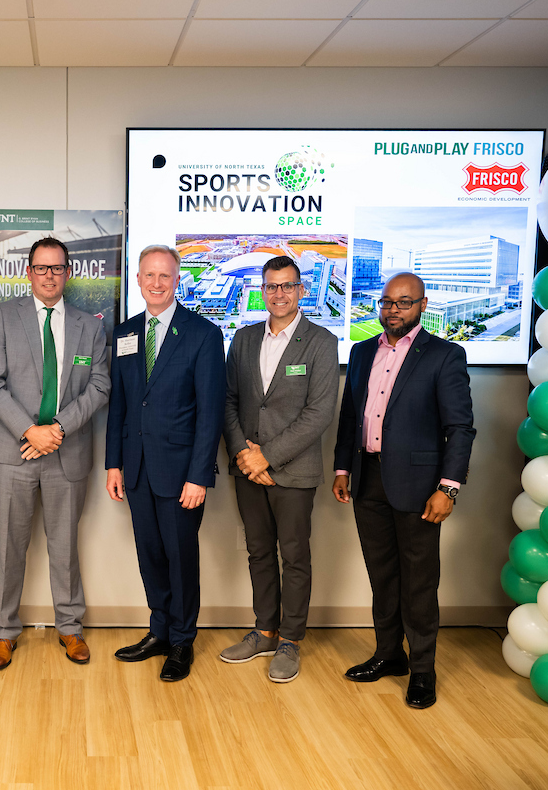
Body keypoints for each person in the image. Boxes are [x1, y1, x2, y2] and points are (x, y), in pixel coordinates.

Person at [332, 272, 475, 709]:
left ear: (423, 305)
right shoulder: (360, 352)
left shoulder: (445, 355)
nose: (393, 310)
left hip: (419, 486)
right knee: (383, 575)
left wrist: (447, 490)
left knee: (418, 581)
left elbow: (460, 428)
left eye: (404, 302)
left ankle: (423, 671)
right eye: (387, 302)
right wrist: (342, 468)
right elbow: (349, 415)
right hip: (367, 477)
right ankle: (389, 655)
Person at [0, 236, 110, 670]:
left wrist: (59, 429)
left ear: (68, 273)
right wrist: (30, 431)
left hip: (66, 453)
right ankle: (4, 632)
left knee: (65, 546)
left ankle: (70, 628)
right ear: (29, 272)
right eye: (41, 268)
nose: (49, 275)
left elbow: (100, 386)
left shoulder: (89, 326)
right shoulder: (3, 317)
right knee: (8, 547)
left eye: (57, 268)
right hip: (12, 452)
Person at [106, 244, 224, 682]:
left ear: (178, 281)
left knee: (180, 556)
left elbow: (210, 413)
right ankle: (158, 630)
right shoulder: (125, 333)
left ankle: (181, 641)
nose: (156, 283)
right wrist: (113, 464)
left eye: (165, 276)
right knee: (150, 555)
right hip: (135, 469)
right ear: (138, 280)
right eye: (148, 276)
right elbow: (120, 403)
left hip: (180, 475)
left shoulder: (203, 334)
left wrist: (199, 476)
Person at [222, 256, 338, 683]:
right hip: (247, 470)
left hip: (292, 470)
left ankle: (290, 640)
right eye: (271, 287)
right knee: (257, 552)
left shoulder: (321, 342)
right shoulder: (245, 338)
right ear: (263, 290)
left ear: (302, 290)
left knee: (295, 556)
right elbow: (229, 401)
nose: (279, 294)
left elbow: (320, 412)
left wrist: (266, 457)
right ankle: (264, 631)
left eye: (287, 286)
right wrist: (244, 455)